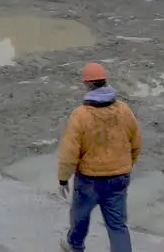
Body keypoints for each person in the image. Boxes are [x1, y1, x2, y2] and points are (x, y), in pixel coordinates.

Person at [56, 62, 142, 252]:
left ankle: (74, 246)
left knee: (80, 217)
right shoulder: (124, 111)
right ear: (105, 81)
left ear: (87, 84)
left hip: (89, 181)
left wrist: (63, 179)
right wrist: (125, 167)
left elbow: (69, 154)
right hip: (119, 179)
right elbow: (136, 144)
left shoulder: (80, 116)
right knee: (117, 226)